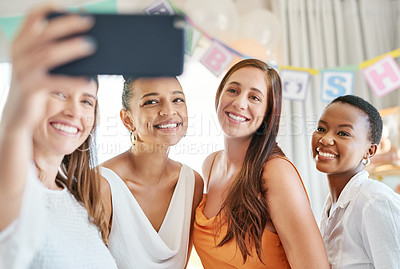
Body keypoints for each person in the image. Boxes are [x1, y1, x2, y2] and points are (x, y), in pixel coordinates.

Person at [0, 5, 117, 268]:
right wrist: (15, 119)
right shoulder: (12, 188)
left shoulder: (79, 200)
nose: (74, 110)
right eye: (60, 94)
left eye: (87, 102)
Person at [193, 59, 329, 268]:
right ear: (219, 95)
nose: (240, 103)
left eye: (254, 97)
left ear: (268, 112)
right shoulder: (210, 165)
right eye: (233, 90)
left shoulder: (275, 172)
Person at [98, 76, 204, 268]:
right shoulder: (101, 185)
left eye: (177, 99)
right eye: (151, 102)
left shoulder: (192, 182)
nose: (169, 111)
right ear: (128, 120)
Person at [312, 95, 400, 268]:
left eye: (343, 133)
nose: (325, 139)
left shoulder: (374, 201)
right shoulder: (332, 205)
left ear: (369, 151)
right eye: (321, 129)